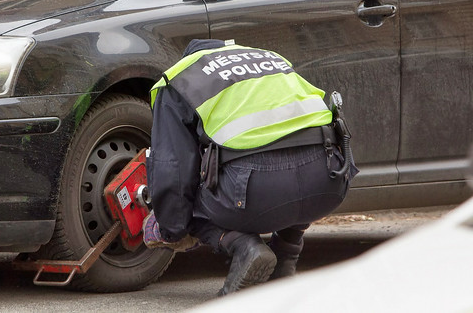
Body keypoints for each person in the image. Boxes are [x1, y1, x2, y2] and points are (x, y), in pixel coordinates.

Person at [143, 39, 358, 296]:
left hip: (257, 192)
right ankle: (286, 256)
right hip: (328, 182)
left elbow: (173, 171)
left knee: (183, 196)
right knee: (298, 156)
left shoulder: (179, 79)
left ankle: (242, 246)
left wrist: (169, 228)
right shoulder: (271, 59)